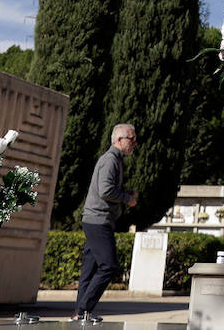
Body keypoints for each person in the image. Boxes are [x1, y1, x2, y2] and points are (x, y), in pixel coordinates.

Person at [74, 124, 139, 323]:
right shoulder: (111, 160)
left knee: (90, 269)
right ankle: (84, 310)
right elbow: (106, 191)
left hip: (96, 219)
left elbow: (107, 188)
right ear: (119, 140)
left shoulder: (114, 160)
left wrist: (125, 194)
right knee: (109, 265)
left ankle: (80, 314)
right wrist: (127, 199)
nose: (135, 143)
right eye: (132, 139)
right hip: (98, 220)